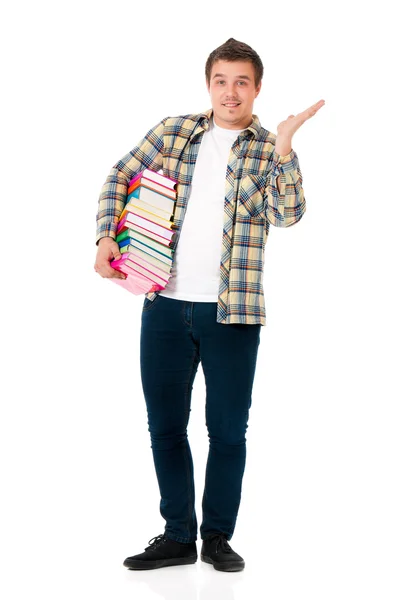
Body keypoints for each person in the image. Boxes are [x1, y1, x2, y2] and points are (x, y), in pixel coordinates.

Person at [94, 38, 325, 572]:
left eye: (242, 81)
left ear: (257, 88)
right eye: (221, 80)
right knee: (165, 428)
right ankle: (177, 535)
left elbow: (288, 215)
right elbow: (118, 176)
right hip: (165, 309)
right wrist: (107, 236)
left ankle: (217, 536)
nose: (230, 91)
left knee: (227, 432)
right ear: (209, 84)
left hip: (233, 315)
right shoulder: (174, 132)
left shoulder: (270, 149)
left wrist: (287, 146)